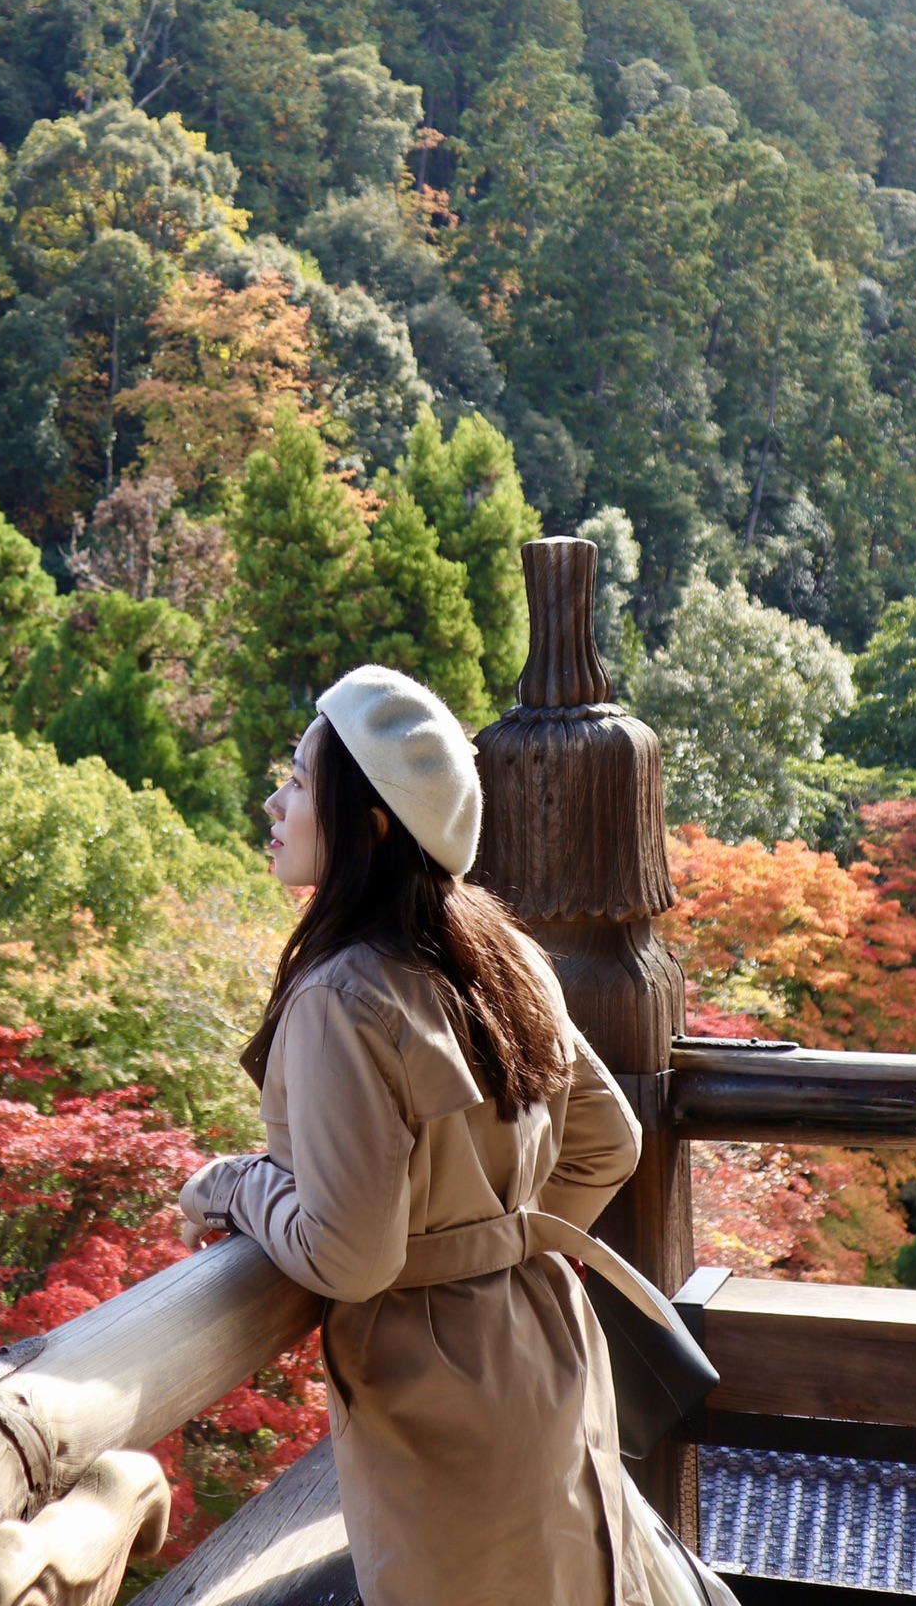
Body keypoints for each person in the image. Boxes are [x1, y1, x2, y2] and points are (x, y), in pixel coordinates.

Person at [179, 665, 735, 1606]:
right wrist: (490, 1237)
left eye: (301, 783)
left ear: (375, 820)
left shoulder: (339, 997)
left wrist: (229, 1186)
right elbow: (609, 1141)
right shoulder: (500, 950)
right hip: (542, 1345)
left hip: (436, 1396)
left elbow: (349, 1258)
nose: (275, 801)